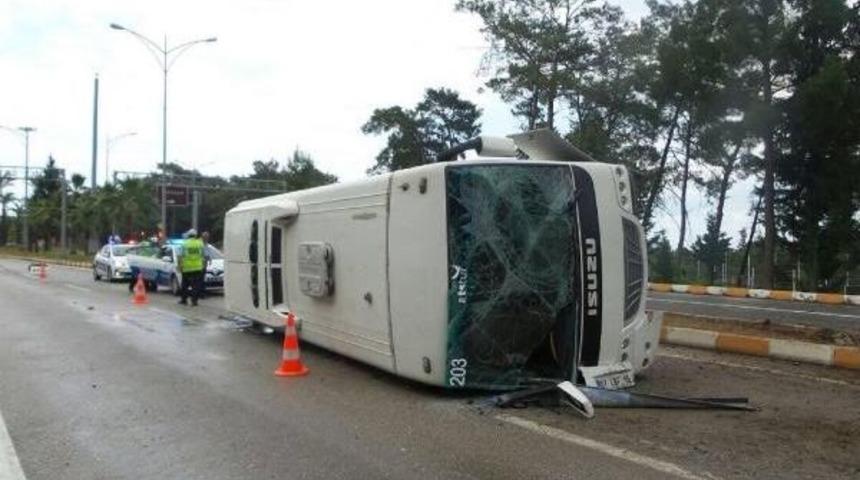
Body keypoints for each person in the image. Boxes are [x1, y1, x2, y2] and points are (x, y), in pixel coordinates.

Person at [177, 228, 205, 306]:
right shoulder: (200, 243)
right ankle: (194, 301)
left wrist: (180, 266)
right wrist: (203, 265)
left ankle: (184, 300)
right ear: (195, 235)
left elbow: (180, 256)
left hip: (187, 268)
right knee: (196, 286)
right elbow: (203, 255)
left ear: (188, 235)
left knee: (185, 285)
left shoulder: (184, 244)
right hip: (197, 268)